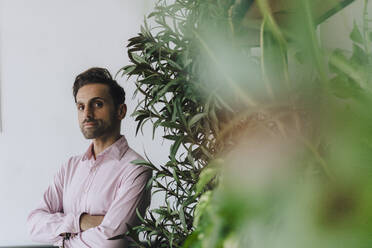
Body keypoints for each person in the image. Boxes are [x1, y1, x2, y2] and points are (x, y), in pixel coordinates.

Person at [27, 67, 151, 248]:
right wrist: (82, 221)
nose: (87, 114)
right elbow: (33, 224)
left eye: (98, 104)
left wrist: (62, 240)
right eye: (81, 106)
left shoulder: (136, 169)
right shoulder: (70, 167)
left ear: (121, 111)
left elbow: (111, 243)